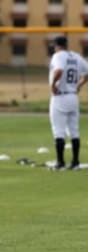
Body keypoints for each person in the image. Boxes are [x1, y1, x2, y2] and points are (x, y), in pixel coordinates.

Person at [48, 35, 88, 171]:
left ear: (57, 46)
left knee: (58, 132)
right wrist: (79, 85)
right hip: (73, 96)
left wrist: (53, 84)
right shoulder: (76, 56)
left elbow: (59, 70)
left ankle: (60, 163)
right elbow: (87, 72)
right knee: (74, 131)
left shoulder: (58, 56)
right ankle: (75, 162)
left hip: (60, 96)